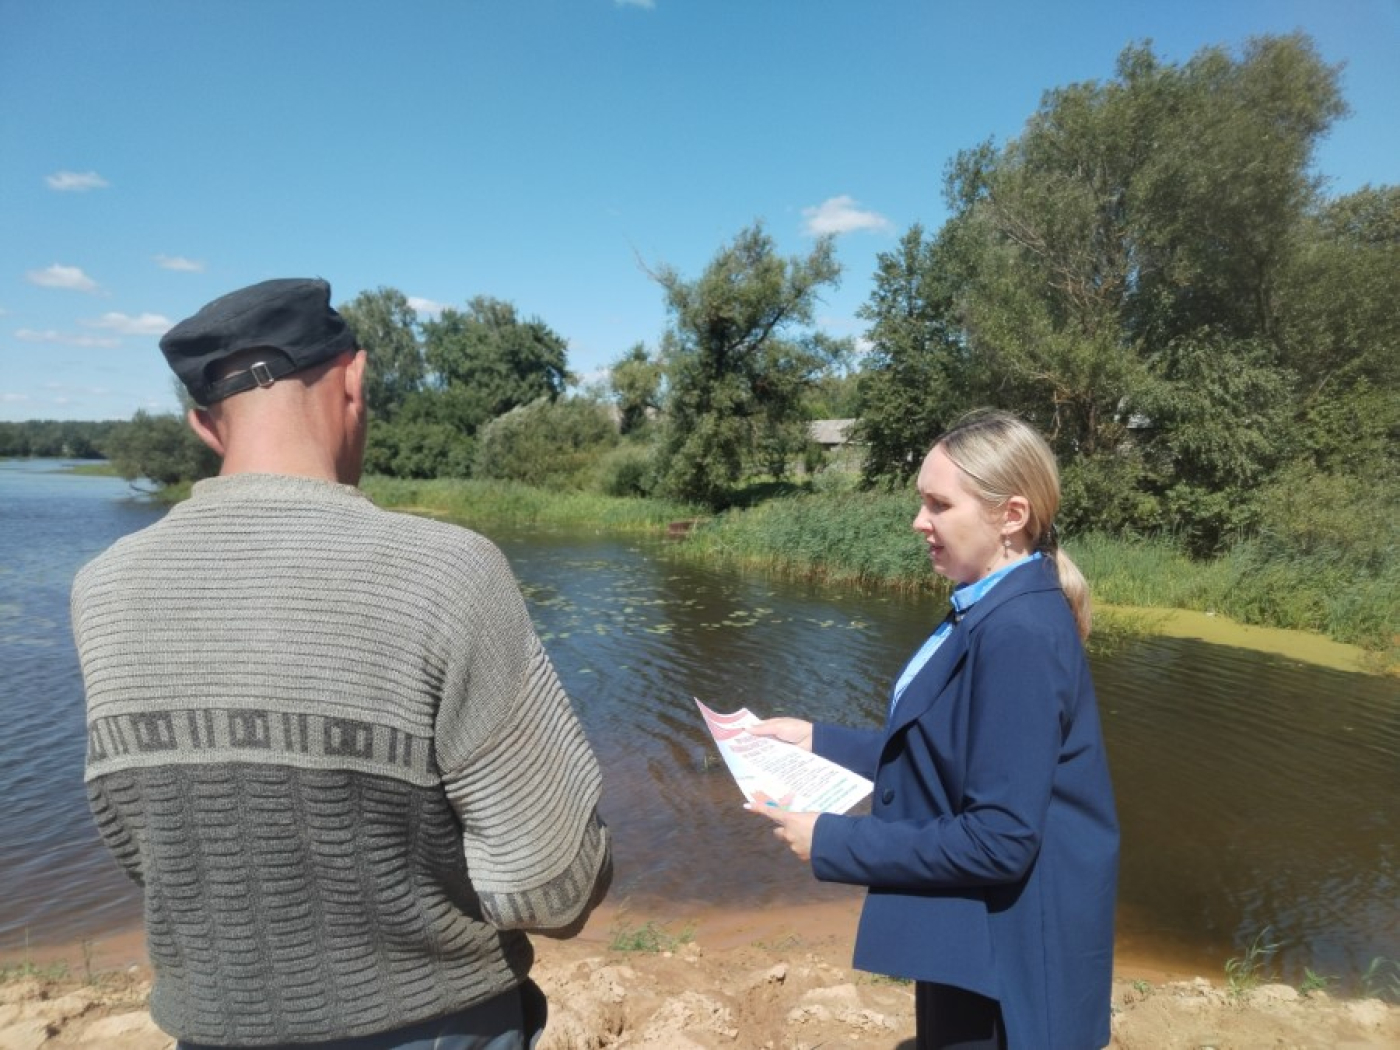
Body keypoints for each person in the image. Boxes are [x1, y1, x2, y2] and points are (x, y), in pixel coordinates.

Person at [71, 278, 611, 1050]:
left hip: (210, 1029)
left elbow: (140, 838)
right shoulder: (447, 571)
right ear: (354, 379)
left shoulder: (103, 586)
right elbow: (548, 884)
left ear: (202, 423)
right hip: (435, 1026)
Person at [749, 409, 1118, 1049]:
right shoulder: (987, 604)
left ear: (1011, 516)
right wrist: (815, 739)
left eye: (939, 505)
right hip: (977, 929)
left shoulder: (1019, 632)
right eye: (922, 503)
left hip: (1012, 960)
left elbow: (1001, 838)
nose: (920, 522)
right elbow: (942, 753)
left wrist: (836, 842)